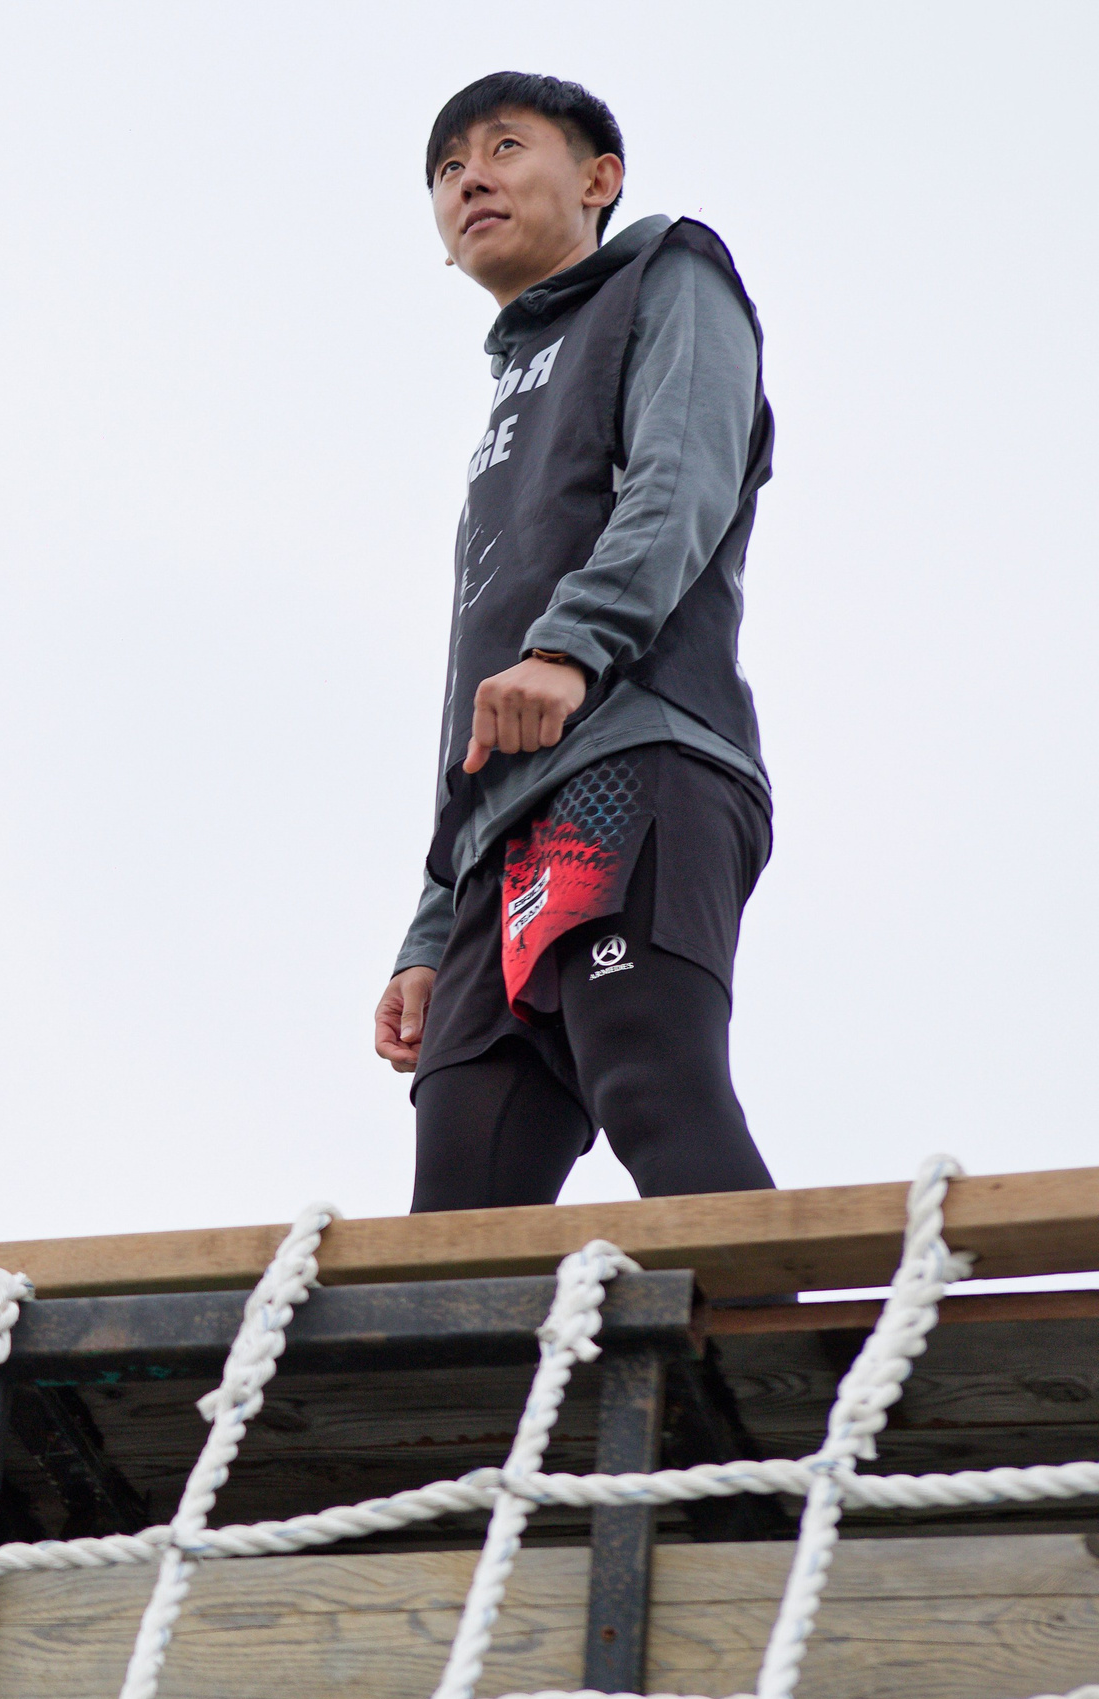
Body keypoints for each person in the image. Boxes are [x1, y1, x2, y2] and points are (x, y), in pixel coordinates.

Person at [370, 73, 781, 1215]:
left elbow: (680, 477)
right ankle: (462, 1406)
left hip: (633, 759)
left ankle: (806, 1385)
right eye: (447, 170)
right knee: (460, 1200)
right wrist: (429, 916)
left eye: (504, 148)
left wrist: (571, 649)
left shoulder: (669, 275)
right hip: (494, 847)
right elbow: (472, 693)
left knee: (652, 1081)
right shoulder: (504, 414)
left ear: (598, 178)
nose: (470, 180)